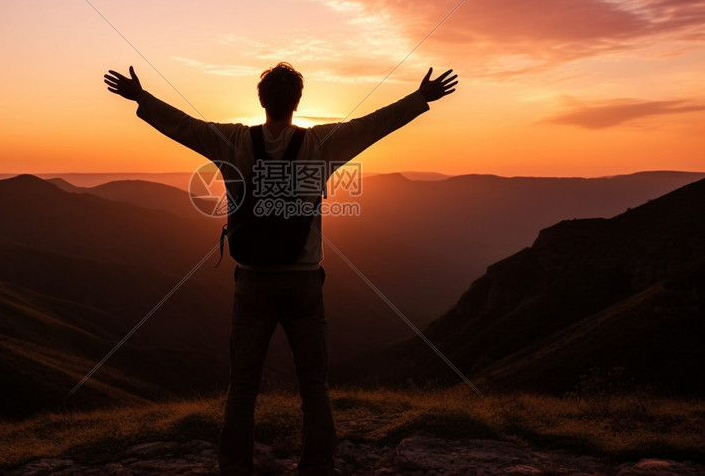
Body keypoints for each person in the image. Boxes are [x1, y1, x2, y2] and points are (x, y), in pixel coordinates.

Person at [104, 62, 457, 476]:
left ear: (261, 100)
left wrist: (141, 98)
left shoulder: (233, 140)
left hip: (252, 280)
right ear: (297, 103)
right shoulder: (322, 142)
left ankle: (235, 467)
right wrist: (419, 99)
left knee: (243, 386)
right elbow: (373, 124)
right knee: (313, 384)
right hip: (304, 280)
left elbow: (182, 125)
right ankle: (317, 465)